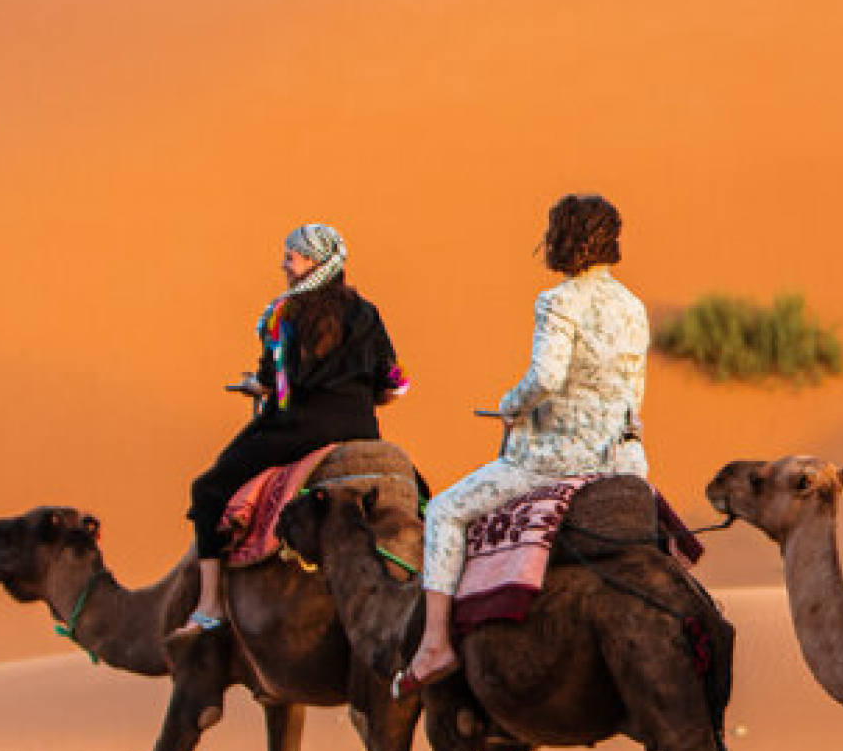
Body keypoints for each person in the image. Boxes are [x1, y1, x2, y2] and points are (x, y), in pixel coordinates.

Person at [400, 193, 650, 688]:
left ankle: (433, 645)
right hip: (625, 461)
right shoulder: (632, 305)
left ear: (564, 239)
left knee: (444, 512)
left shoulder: (559, 301)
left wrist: (512, 404)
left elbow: (547, 377)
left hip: (554, 459)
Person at [175, 222, 405, 643]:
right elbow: (394, 383)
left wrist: (255, 388)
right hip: (362, 429)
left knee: (207, 490)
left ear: (314, 262)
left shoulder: (284, 315)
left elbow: (279, 390)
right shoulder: (366, 312)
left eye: (292, 256)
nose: (284, 264)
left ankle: (209, 605)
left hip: (302, 427)